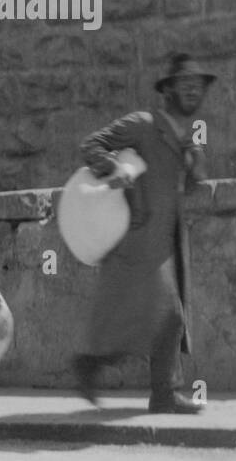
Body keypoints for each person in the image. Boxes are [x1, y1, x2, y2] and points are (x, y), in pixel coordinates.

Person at [72, 54, 214, 415]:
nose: (192, 91)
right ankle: (102, 368)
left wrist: (194, 162)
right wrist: (114, 166)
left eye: (197, 86)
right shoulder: (143, 123)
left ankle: (144, 386)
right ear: (167, 91)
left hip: (165, 243)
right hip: (136, 241)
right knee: (165, 318)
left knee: (158, 320)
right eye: (185, 84)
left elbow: (188, 188)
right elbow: (91, 145)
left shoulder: (185, 135)